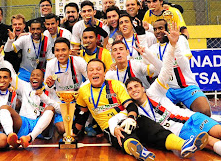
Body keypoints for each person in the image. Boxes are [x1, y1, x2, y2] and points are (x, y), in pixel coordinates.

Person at [125, 26, 221, 158]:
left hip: (192, 118)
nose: (134, 90)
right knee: (212, 143)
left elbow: (165, 68)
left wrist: (173, 46)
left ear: (143, 88)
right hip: (180, 131)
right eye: (130, 89)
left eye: (136, 86)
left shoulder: (154, 91)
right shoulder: (135, 111)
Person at [74, 58, 207, 160]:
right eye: (91, 70)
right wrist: (73, 133)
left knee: (152, 127)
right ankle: (139, 152)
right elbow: (82, 114)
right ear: (87, 73)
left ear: (104, 73)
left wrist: (131, 118)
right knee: (122, 136)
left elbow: (130, 105)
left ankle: (184, 145)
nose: (95, 72)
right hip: (110, 126)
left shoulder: (116, 85)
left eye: (98, 69)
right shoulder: (83, 91)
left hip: (127, 117)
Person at [149, 19, 211, 117]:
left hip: (186, 87)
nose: (157, 31)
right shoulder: (153, 48)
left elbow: (184, 64)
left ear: (167, 29)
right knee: (158, 115)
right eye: (155, 29)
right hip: (167, 90)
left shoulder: (180, 39)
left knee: (205, 111)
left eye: (160, 28)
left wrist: (174, 45)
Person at [0, 69, 60, 148]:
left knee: (50, 108)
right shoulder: (25, 86)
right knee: (4, 108)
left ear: (43, 79)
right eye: (32, 75)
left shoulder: (50, 89)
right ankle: (10, 136)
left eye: (38, 75)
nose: (34, 77)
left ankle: (30, 137)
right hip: (24, 122)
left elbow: (60, 110)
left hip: (41, 125)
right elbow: (11, 76)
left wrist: (44, 97)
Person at [44, 38, 87, 134]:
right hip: (60, 101)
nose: (60, 53)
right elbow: (47, 88)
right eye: (57, 50)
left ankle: (83, 123)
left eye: (63, 50)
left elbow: (90, 79)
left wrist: (81, 90)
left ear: (69, 51)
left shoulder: (79, 61)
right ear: (54, 52)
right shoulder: (51, 64)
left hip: (78, 98)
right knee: (62, 129)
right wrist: (50, 85)